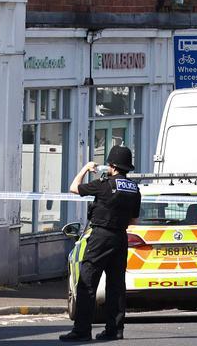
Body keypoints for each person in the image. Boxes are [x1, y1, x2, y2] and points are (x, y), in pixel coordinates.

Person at [61, 145, 141, 342]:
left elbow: (73, 188)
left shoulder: (104, 184)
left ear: (112, 165)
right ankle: (114, 330)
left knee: (87, 282)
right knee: (116, 286)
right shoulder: (134, 189)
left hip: (101, 237)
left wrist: (86, 168)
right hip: (121, 238)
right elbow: (133, 220)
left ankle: (81, 330)